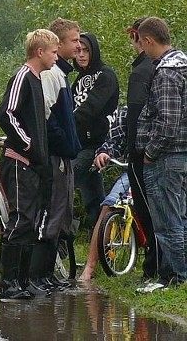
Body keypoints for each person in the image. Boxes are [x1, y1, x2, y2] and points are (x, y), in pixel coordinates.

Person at [0, 29, 59, 300]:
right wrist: (29, 144)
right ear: (39, 52)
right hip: (20, 161)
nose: (56, 57)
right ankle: (8, 284)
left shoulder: (38, 79)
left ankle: (23, 281)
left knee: (32, 222)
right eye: (53, 52)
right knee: (21, 219)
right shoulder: (22, 77)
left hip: (35, 164)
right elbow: (5, 113)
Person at [29, 18, 83, 291]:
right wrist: (65, 144)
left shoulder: (62, 73)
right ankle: (38, 276)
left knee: (62, 215)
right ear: (58, 44)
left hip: (64, 155)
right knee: (52, 214)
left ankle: (47, 275)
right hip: (55, 156)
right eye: (74, 40)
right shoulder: (51, 74)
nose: (79, 45)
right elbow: (48, 118)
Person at [135, 17, 187, 293]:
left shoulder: (167, 73)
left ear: (149, 41)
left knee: (168, 222)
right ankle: (175, 276)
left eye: (142, 43)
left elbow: (168, 123)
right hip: (181, 155)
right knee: (180, 217)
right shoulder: (183, 66)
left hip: (167, 159)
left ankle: (177, 279)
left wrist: (150, 154)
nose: (142, 49)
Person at [71, 32, 119, 228]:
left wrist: (65, 129)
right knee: (94, 202)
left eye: (86, 50)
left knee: (61, 186)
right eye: (78, 50)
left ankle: (60, 240)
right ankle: (102, 249)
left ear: (94, 51)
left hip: (97, 145)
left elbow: (90, 109)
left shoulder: (106, 76)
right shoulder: (78, 79)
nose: (81, 55)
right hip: (79, 143)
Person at [125, 17, 160, 281]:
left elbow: (136, 115)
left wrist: (136, 152)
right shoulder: (163, 66)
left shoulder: (141, 71)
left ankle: (154, 267)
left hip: (143, 153)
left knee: (148, 211)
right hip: (162, 149)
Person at [79, 106, 129, 281]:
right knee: (109, 205)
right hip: (131, 172)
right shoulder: (127, 111)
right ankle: (89, 268)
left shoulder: (169, 102)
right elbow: (113, 141)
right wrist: (104, 153)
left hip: (162, 169)